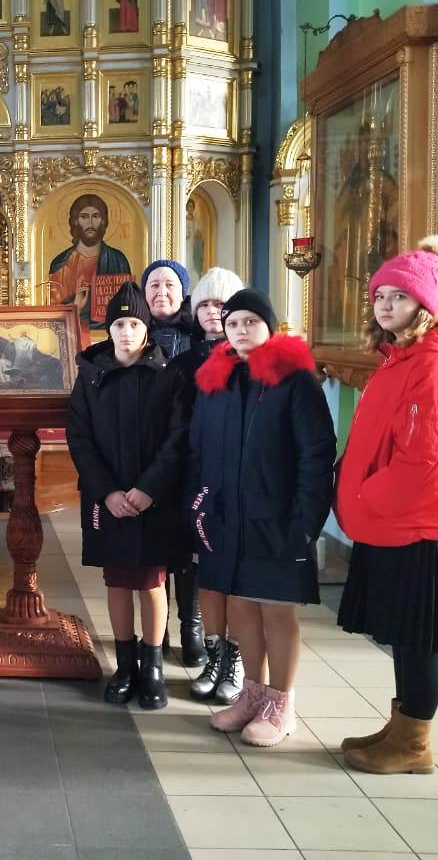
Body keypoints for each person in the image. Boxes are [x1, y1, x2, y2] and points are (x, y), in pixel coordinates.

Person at [334, 237, 438, 775]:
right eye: (380, 296)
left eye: (400, 296)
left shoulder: (434, 366)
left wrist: (366, 494)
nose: (386, 305)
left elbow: (422, 460)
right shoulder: (400, 358)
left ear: (426, 305)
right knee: (401, 632)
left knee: (417, 638)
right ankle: (401, 727)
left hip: (415, 523)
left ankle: (414, 744)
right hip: (394, 520)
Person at [188, 289, 335, 747]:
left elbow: (317, 452)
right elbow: (199, 447)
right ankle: (252, 695)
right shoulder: (216, 380)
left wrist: (306, 520)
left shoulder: (295, 380)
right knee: (240, 607)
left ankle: (281, 704)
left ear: (269, 326)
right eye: (233, 323)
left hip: (278, 517)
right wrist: (202, 504)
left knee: (275, 609)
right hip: (227, 516)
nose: (241, 330)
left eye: (251, 322)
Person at [67, 283, 191, 710]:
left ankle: (152, 666)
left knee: (152, 581)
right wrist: (107, 492)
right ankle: (125, 666)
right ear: (109, 329)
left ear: (146, 329)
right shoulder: (91, 375)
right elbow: (80, 437)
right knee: (117, 580)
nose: (126, 333)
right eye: (119, 324)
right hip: (108, 499)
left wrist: (149, 488)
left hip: (154, 498)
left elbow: (178, 437)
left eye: (134, 324)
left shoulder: (168, 374)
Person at [170, 268, 247, 704]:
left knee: (233, 575)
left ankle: (234, 658)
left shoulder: (251, 363)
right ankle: (212, 653)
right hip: (192, 480)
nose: (213, 312)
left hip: (236, 486)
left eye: (222, 304)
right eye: (205, 304)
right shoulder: (185, 363)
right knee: (200, 570)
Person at [141, 260, 205, 665]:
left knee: (190, 544)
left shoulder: (198, 335)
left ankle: (191, 626)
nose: (161, 292)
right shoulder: (134, 331)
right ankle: (157, 629)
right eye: (153, 285)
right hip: (151, 453)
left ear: (183, 293)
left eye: (169, 285)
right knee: (156, 544)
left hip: (192, 451)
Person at [48, 194, 133, 332]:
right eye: (84, 217)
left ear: (103, 221)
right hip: (69, 333)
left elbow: (127, 304)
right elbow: (53, 314)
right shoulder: (60, 265)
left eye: (96, 216)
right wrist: (76, 306)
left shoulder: (118, 260)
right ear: (75, 221)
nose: (90, 224)